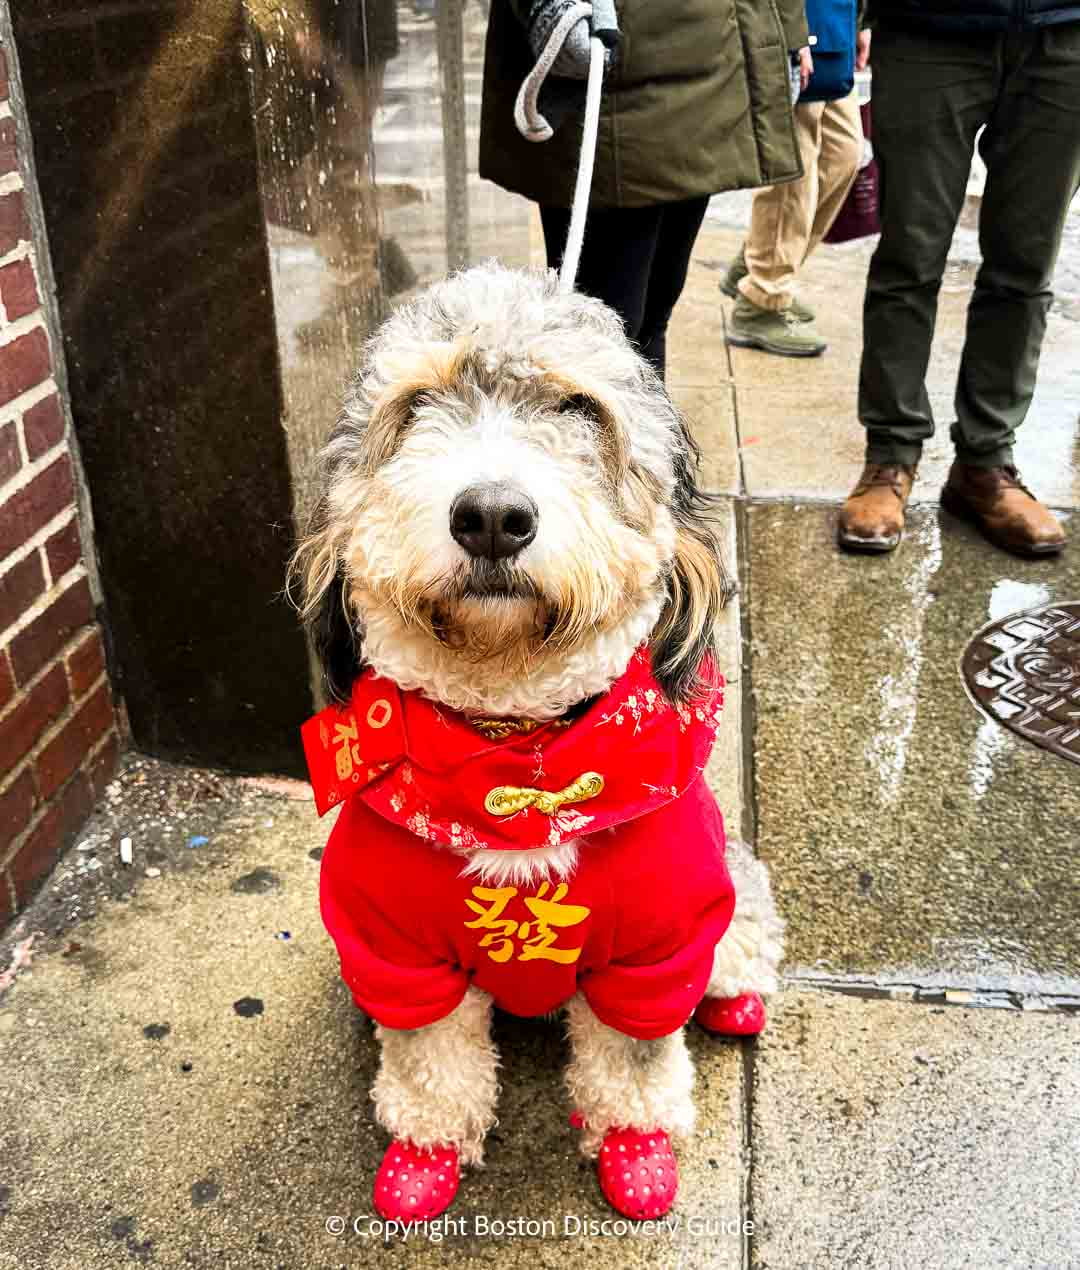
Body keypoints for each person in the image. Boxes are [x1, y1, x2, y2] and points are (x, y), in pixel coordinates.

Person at [838, 0, 1080, 556]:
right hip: (931, 30)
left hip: (1063, 35)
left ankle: (986, 462)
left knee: (1025, 265)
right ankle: (890, 456)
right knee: (910, 258)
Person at [479, 0, 812, 382]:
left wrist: (785, 29)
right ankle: (617, 438)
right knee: (601, 333)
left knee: (653, 311)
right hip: (609, 66)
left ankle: (648, 438)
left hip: (712, 59)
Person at [722, 8, 871, 358]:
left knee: (843, 155)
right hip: (797, 22)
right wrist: (791, 33)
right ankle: (761, 299)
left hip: (834, 21)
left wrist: (860, 22)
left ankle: (757, 263)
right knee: (794, 171)